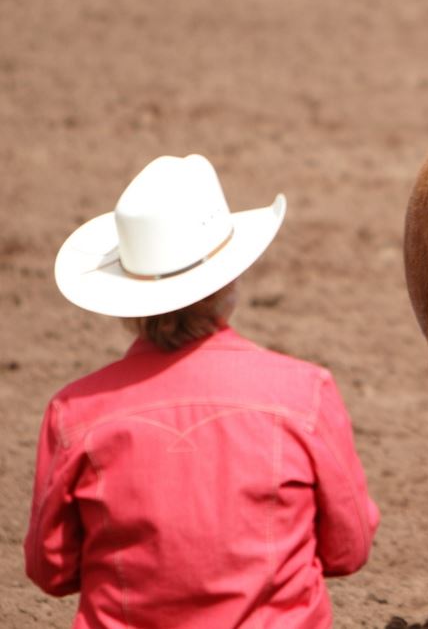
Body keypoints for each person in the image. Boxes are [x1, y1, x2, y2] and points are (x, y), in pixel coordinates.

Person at [24, 154, 380, 628]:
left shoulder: (74, 414)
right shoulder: (304, 395)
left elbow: (51, 570)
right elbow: (349, 549)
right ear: (229, 280)